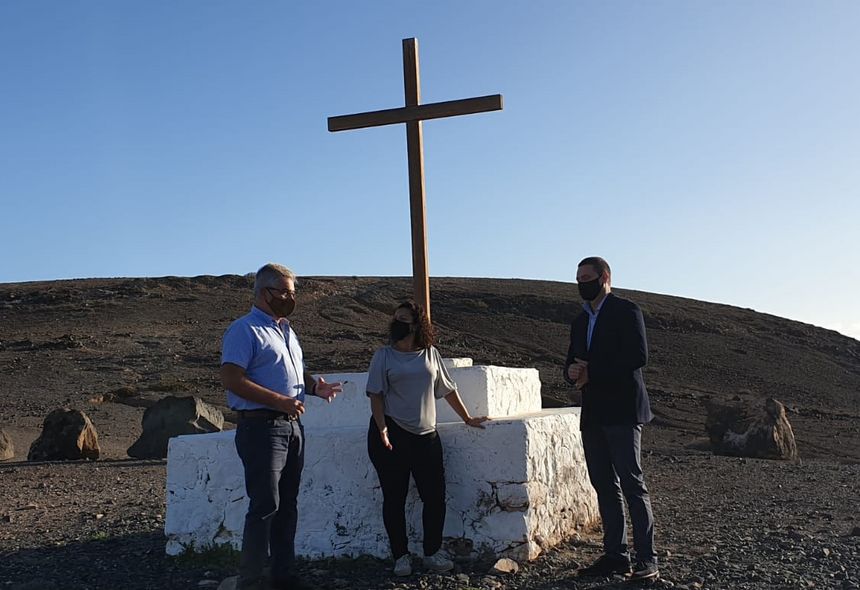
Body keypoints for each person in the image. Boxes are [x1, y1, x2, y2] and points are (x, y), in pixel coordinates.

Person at [220, 263, 342, 590]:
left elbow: (293, 373)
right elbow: (232, 379)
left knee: (287, 505)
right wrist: (279, 401)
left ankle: (282, 576)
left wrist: (315, 387)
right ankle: (251, 581)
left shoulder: (286, 330)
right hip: (261, 428)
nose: (291, 298)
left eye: (293, 292)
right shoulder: (244, 330)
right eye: (285, 292)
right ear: (265, 292)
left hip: (292, 428)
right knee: (264, 506)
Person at [366, 301, 489, 577]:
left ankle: (431, 552)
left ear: (416, 325)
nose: (397, 323)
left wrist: (467, 418)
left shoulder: (431, 354)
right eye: (395, 318)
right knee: (393, 498)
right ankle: (401, 556)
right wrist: (382, 427)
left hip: (426, 437)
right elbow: (376, 395)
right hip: (391, 434)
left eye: (404, 319)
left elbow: (447, 389)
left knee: (435, 497)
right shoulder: (383, 356)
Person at [563, 256, 659, 582]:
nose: (581, 284)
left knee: (632, 483)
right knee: (604, 486)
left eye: (587, 278)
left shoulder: (626, 311)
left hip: (621, 411)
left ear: (605, 277)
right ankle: (616, 556)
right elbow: (570, 363)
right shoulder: (579, 321)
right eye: (578, 279)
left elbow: (637, 356)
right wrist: (571, 372)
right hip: (593, 414)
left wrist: (592, 373)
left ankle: (648, 558)